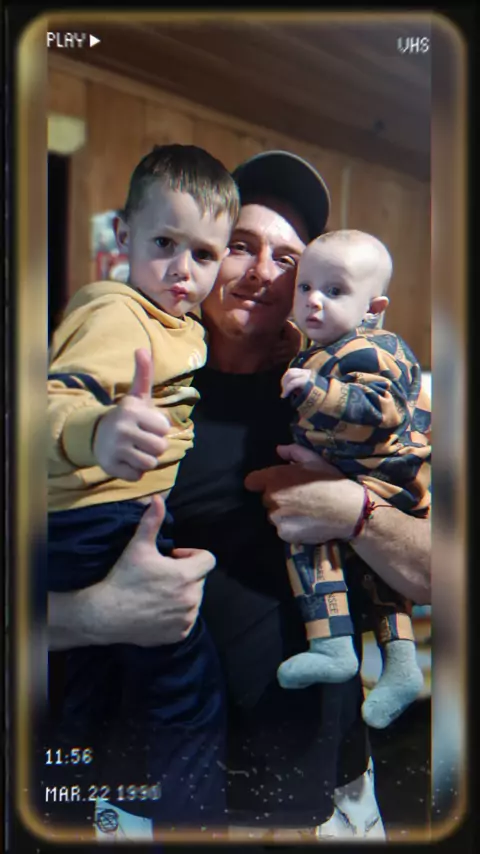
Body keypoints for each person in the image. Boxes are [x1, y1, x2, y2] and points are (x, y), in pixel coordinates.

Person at [45, 151, 431, 842]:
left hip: (321, 794)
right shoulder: (135, 389)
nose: (260, 273)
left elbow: (438, 572)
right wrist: (94, 615)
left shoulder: (348, 401)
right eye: (240, 247)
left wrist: (354, 513)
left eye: (287, 259)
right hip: (144, 797)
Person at [45, 144, 239, 827]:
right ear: (123, 235)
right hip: (99, 519)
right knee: (187, 692)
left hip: (104, 520)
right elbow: (54, 400)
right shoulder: (116, 312)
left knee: (86, 691)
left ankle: (69, 809)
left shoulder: (174, 323)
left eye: (204, 254)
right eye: (164, 243)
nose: (183, 269)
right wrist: (99, 429)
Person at [276, 229, 430, 730]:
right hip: (350, 476)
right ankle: (349, 652)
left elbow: (382, 411)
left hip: (384, 480)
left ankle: (371, 657)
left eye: (334, 290)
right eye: (305, 287)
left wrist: (316, 393)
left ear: (373, 307)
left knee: (345, 561)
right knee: (335, 559)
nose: (312, 301)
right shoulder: (321, 349)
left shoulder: (370, 349)